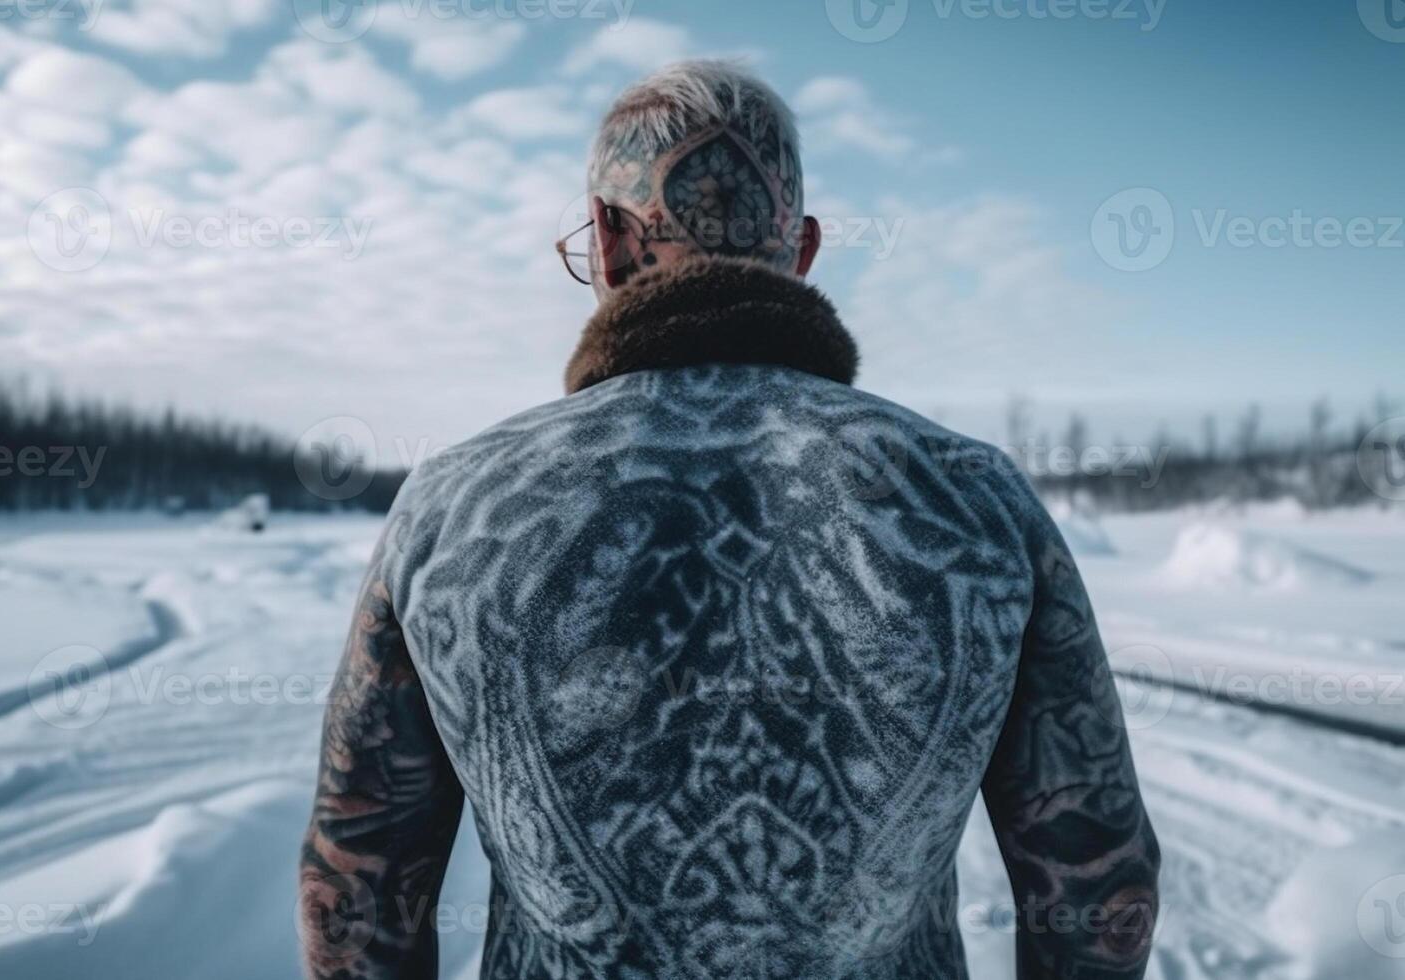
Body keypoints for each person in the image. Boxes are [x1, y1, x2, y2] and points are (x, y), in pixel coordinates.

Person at [300, 59, 1160, 980]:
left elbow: (354, 892)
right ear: (802, 252)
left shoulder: (454, 504)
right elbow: (1102, 886)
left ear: (608, 238)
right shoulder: (974, 498)